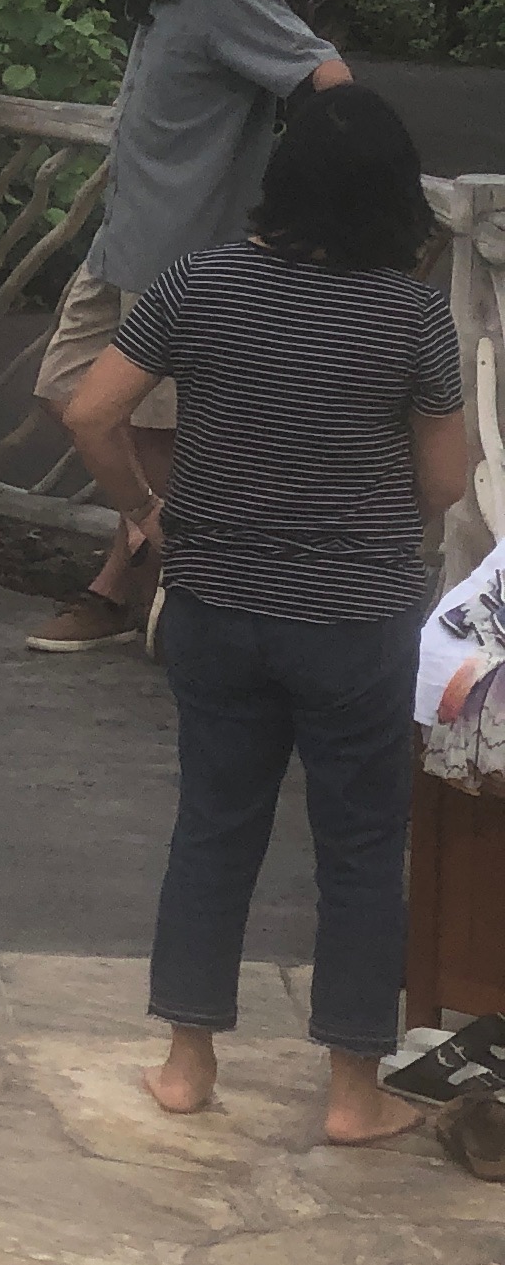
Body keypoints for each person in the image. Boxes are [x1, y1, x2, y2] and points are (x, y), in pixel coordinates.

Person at [63, 84, 462, 1147]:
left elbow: (91, 411)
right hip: (355, 618)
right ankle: (352, 1091)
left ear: (281, 182)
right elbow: (444, 481)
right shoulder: (413, 315)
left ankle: (187, 1064)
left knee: (214, 825)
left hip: (215, 601)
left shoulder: (200, 282)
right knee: (362, 846)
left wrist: (145, 512)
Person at [28, 0, 353, 653]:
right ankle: (174, 547)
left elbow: (327, 78)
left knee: (149, 431)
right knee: (65, 393)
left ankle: (125, 591)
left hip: (186, 257)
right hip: (125, 241)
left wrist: (308, 201)